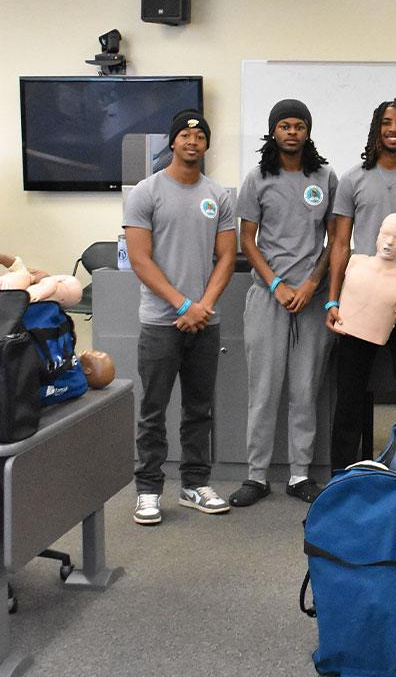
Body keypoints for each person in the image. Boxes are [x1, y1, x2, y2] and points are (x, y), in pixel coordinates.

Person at [123, 109, 236, 525]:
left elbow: (226, 256)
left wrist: (201, 306)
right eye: (185, 135)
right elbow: (139, 259)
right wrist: (184, 305)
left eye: (200, 136)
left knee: (200, 408)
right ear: (173, 142)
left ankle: (194, 484)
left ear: (206, 145)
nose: (193, 141)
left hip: (205, 322)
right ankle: (149, 490)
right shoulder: (146, 192)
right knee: (153, 410)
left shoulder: (219, 195)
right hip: (160, 322)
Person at [229, 99, 337, 508]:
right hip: (268, 297)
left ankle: (300, 474)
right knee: (264, 390)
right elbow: (247, 240)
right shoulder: (257, 178)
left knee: (305, 390)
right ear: (273, 131)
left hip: (311, 298)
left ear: (308, 131)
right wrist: (276, 284)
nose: (292, 132)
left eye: (299, 126)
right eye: (284, 126)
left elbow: (334, 241)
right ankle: (256, 476)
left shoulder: (326, 177)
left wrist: (312, 284)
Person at [326, 99, 396, 470]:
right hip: (359, 300)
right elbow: (340, 244)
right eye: (387, 122)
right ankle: (343, 471)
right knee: (351, 391)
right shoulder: (353, 179)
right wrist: (332, 301)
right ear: (377, 128)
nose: (394, 128)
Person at [332, 213, 396, 345]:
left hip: (379, 336)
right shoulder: (355, 262)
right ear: (378, 235)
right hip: (346, 331)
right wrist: (332, 303)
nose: (389, 242)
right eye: (385, 235)